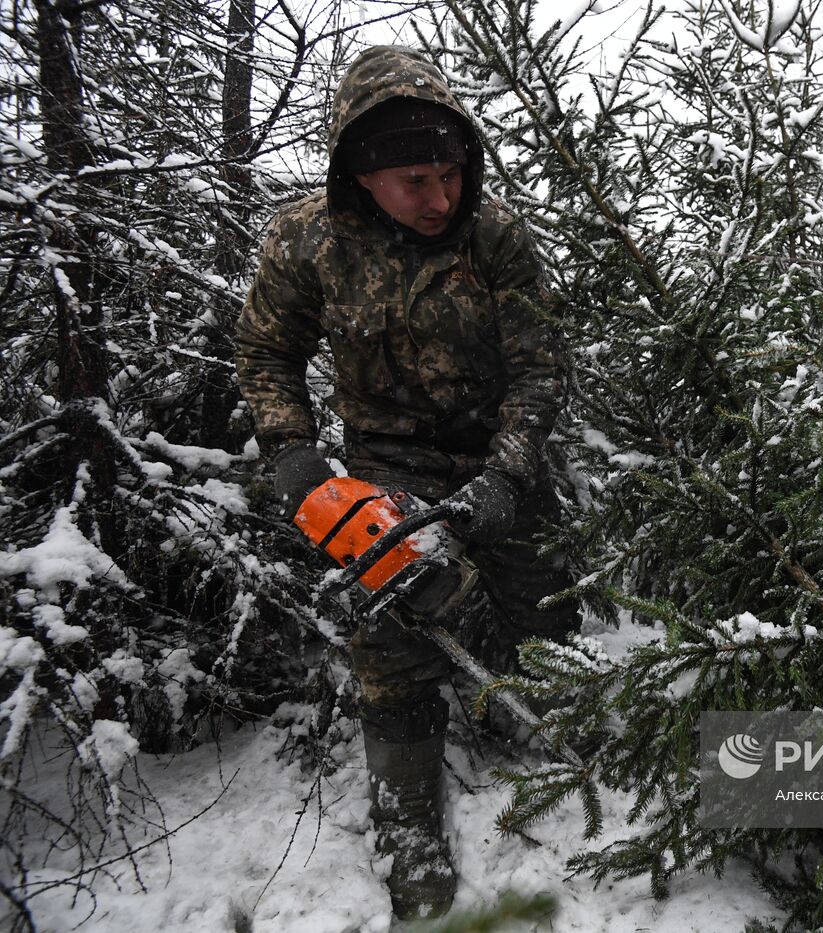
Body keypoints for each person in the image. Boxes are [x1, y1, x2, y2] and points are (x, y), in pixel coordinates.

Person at [233, 45, 577, 920]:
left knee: (541, 624)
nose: (441, 198)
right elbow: (268, 350)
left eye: (451, 173)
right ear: (363, 172)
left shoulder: (494, 233)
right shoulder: (307, 238)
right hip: (387, 459)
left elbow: (540, 369)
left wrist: (505, 478)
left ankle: (508, 700)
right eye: (415, 180)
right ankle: (408, 813)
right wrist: (297, 461)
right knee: (389, 641)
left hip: (503, 453)